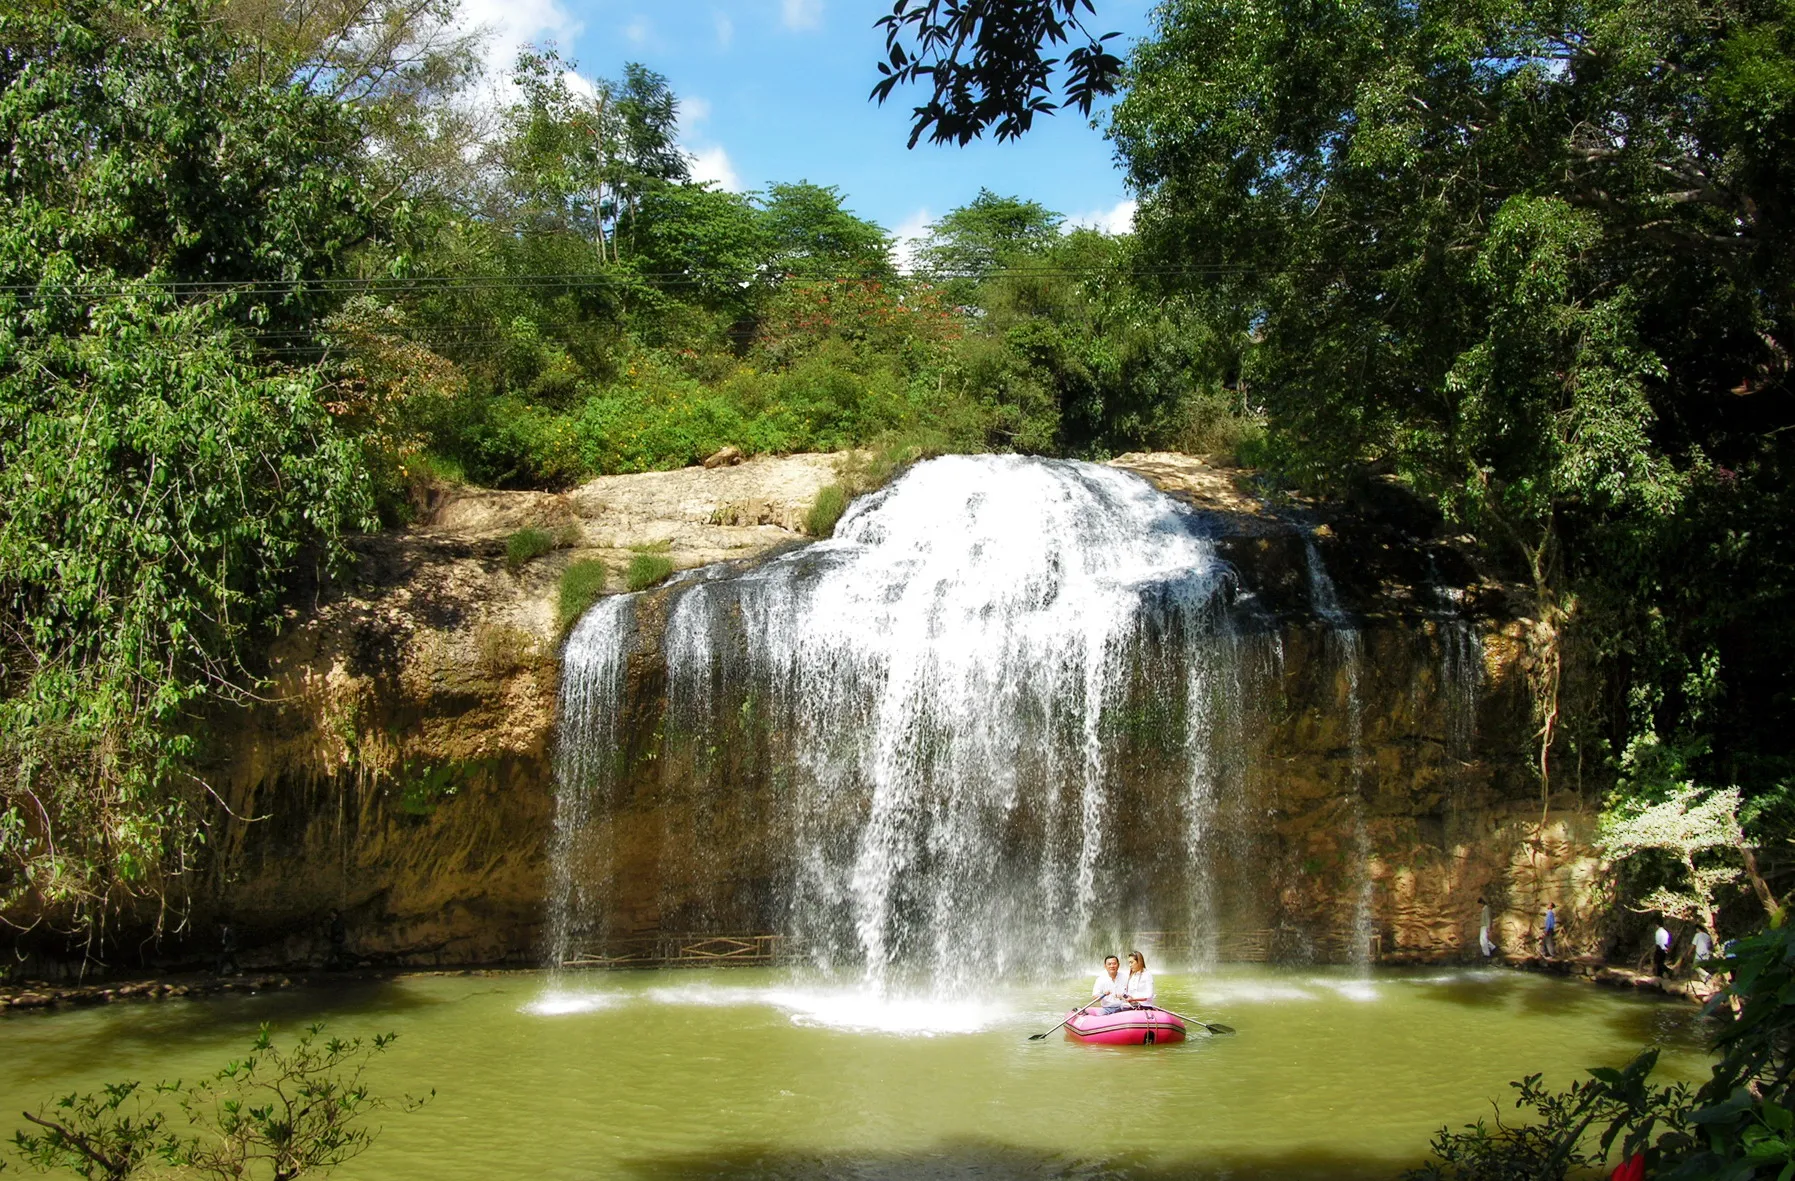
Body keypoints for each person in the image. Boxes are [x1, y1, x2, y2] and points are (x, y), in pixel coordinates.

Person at [1101, 949, 1155, 1014]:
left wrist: (1132, 999)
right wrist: (1121, 996)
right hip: (1132, 1005)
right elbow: (1130, 994)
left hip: (1143, 1006)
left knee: (1120, 1010)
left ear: (1139, 961)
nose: (1130, 965)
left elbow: (1149, 995)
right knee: (1114, 1010)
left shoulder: (1146, 974)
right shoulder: (1132, 976)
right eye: (1129, 962)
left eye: (1131, 962)